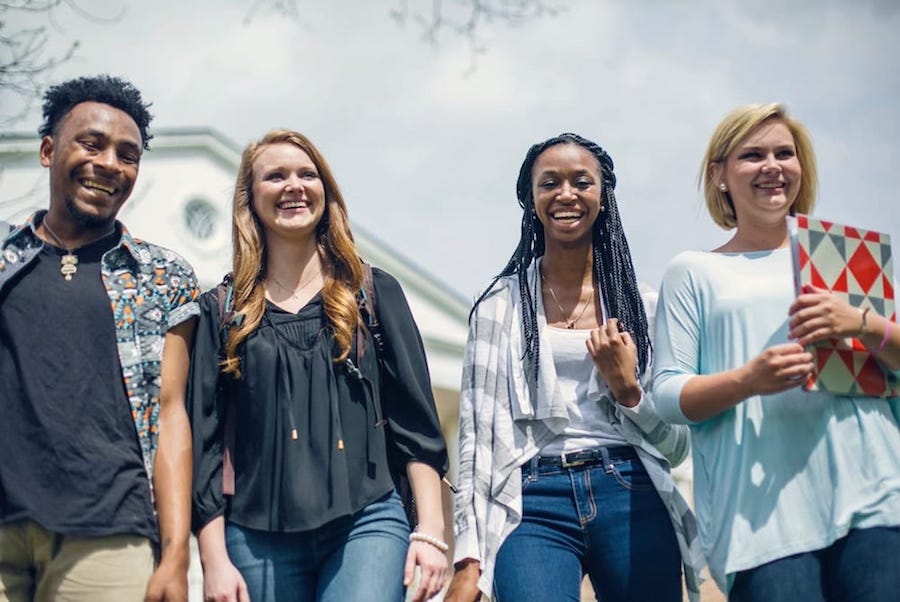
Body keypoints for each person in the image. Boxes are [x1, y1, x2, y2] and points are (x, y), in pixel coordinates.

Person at [188, 129, 450, 602]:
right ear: (250, 198)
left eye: (307, 174)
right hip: (253, 535)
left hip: (368, 521)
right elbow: (202, 443)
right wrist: (213, 559)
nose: (294, 185)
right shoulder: (220, 311)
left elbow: (416, 424)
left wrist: (430, 532)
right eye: (276, 176)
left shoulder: (373, 293)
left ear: (326, 191)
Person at [652, 103, 900, 601]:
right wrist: (749, 380)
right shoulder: (694, 271)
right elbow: (667, 395)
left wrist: (864, 324)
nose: (772, 166)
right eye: (752, 154)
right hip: (762, 521)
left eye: (785, 153)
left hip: (876, 496)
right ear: (719, 175)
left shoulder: (846, 254)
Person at [446, 133, 705, 602]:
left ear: (603, 197)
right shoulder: (498, 308)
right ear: (531, 199)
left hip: (630, 489)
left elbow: (678, 446)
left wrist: (629, 391)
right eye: (550, 183)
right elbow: (476, 442)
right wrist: (468, 559)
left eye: (581, 182)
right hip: (531, 499)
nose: (566, 194)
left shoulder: (641, 307)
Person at [0, 75, 199, 601]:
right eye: (92, 144)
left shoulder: (163, 276)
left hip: (110, 534)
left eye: (128, 154)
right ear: (48, 151)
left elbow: (171, 411)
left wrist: (176, 554)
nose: (110, 163)